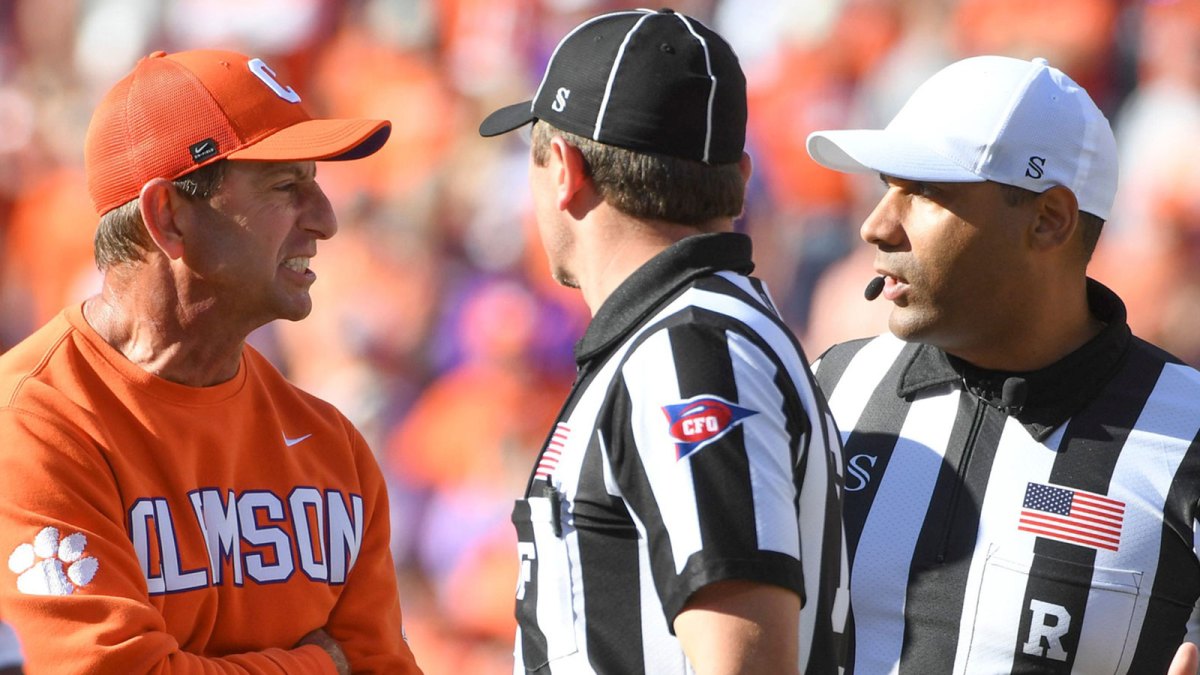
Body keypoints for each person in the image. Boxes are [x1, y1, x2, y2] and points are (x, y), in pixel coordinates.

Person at [0, 49, 422, 674]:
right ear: (168, 215)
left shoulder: (332, 447)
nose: (326, 220)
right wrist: (318, 665)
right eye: (286, 186)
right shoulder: (33, 427)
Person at [478, 8, 847, 674]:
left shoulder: (689, 350)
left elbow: (744, 658)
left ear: (563, 168)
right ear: (738, 177)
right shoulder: (684, 336)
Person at [805, 54, 1200, 674]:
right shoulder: (833, 388)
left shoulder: (1187, 432)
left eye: (924, 191)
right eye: (887, 187)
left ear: (1048, 221)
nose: (875, 226)